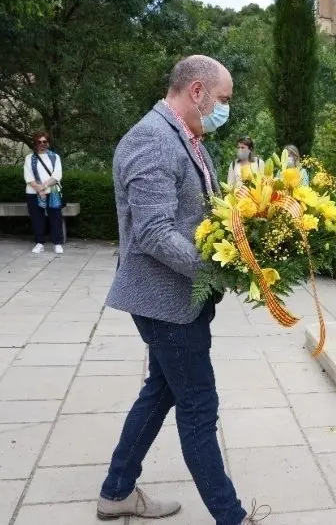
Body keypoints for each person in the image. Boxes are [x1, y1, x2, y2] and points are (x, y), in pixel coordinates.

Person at [99, 55, 269, 524]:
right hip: (164, 301)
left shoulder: (187, 137)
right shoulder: (152, 141)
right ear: (197, 91)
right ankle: (231, 517)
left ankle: (116, 491)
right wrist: (218, 269)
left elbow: (200, 211)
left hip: (179, 298)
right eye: (224, 99)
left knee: (160, 390)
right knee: (198, 405)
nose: (225, 108)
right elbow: (152, 232)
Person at [23, 131, 65, 254]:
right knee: (37, 218)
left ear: (48, 143)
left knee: (55, 217)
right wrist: (38, 189)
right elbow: (28, 176)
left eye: (45, 141)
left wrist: (43, 187)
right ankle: (39, 243)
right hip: (32, 192)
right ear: (35, 143)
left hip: (52, 191)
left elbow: (57, 175)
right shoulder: (29, 158)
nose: (42, 144)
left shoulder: (55, 157)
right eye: (39, 142)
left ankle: (57, 243)